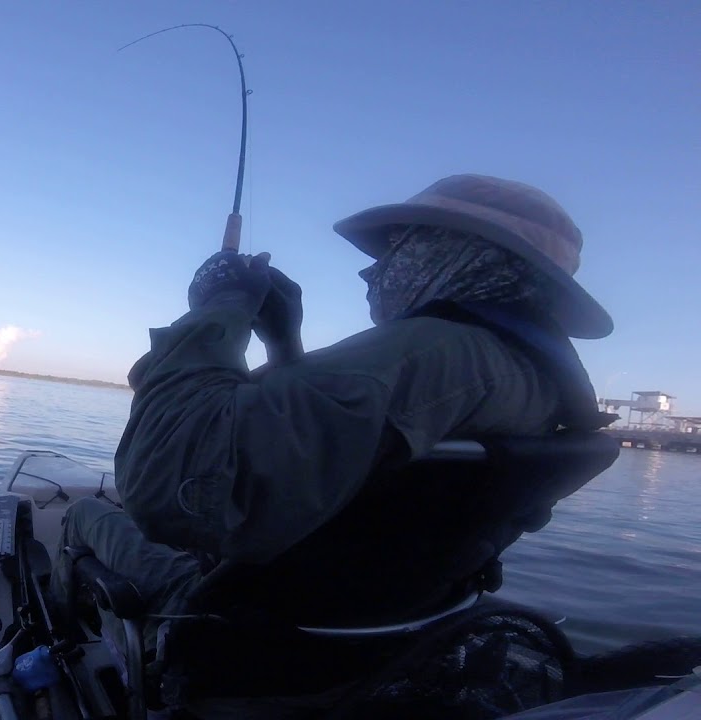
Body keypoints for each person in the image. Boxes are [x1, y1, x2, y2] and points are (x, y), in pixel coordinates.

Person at [52, 173, 617, 715]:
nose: (372, 271)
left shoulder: (425, 351)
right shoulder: (536, 384)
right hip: (378, 639)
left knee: (81, 515)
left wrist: (218, 310)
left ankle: (58, 650)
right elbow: (328, 450)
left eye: (397, 246)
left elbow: (171, 487)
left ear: (457, 252)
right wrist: (285, 343)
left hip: (249, 640)